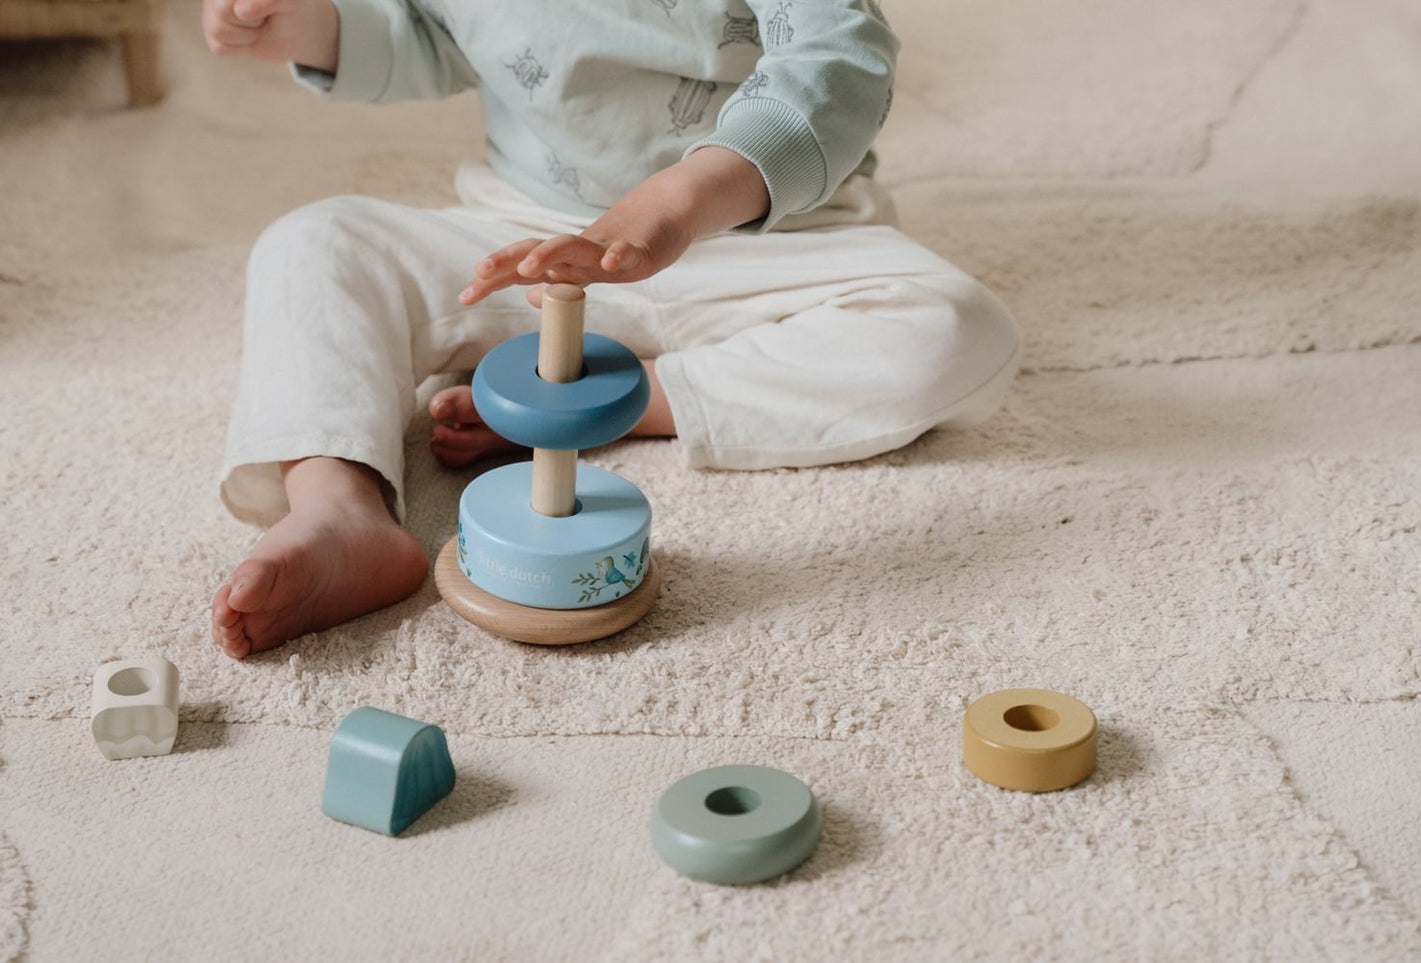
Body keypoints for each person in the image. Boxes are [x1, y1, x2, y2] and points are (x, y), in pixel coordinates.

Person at [203, 0, 1021, 659]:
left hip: (757, 239)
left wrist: (677, 202)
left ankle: (619, 394)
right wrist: (319, 27)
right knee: (315, 243)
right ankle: (339, 507)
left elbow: (838, 61)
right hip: (529, 240)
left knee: (952, 327)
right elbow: (431, 31)